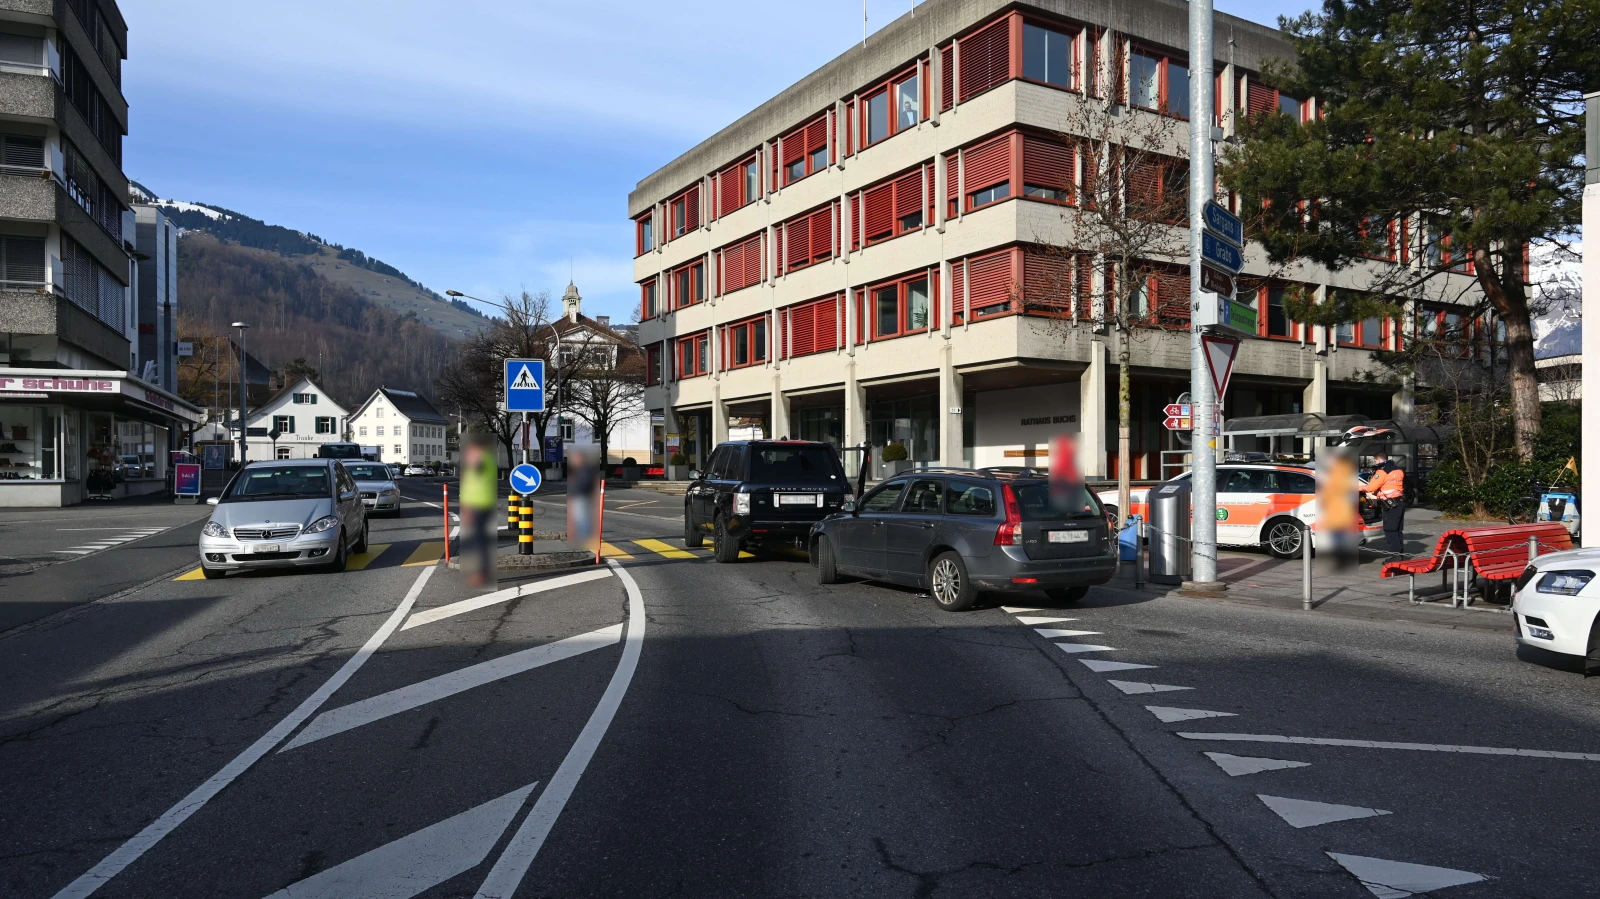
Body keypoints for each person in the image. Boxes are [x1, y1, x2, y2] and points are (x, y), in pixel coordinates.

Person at [459, 433, 498, 588]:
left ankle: (482, 574)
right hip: (479, 504)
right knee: (480, 540)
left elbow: (474, 483)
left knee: (479, 541)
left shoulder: (480, 460)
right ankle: (483, 572)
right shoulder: (486, 460)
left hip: (479, 505)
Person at [1364, 451, 1406, 555]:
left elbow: (1370, 488)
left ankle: (1396, 555)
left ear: (1378, 460)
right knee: (1397, 529)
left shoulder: (1382, 471)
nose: (1375, 462)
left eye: (1375, 461)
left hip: (1390, 504)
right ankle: (1400, 553)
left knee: (1390, 530)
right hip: (1400, 502)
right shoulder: (1398, 470)